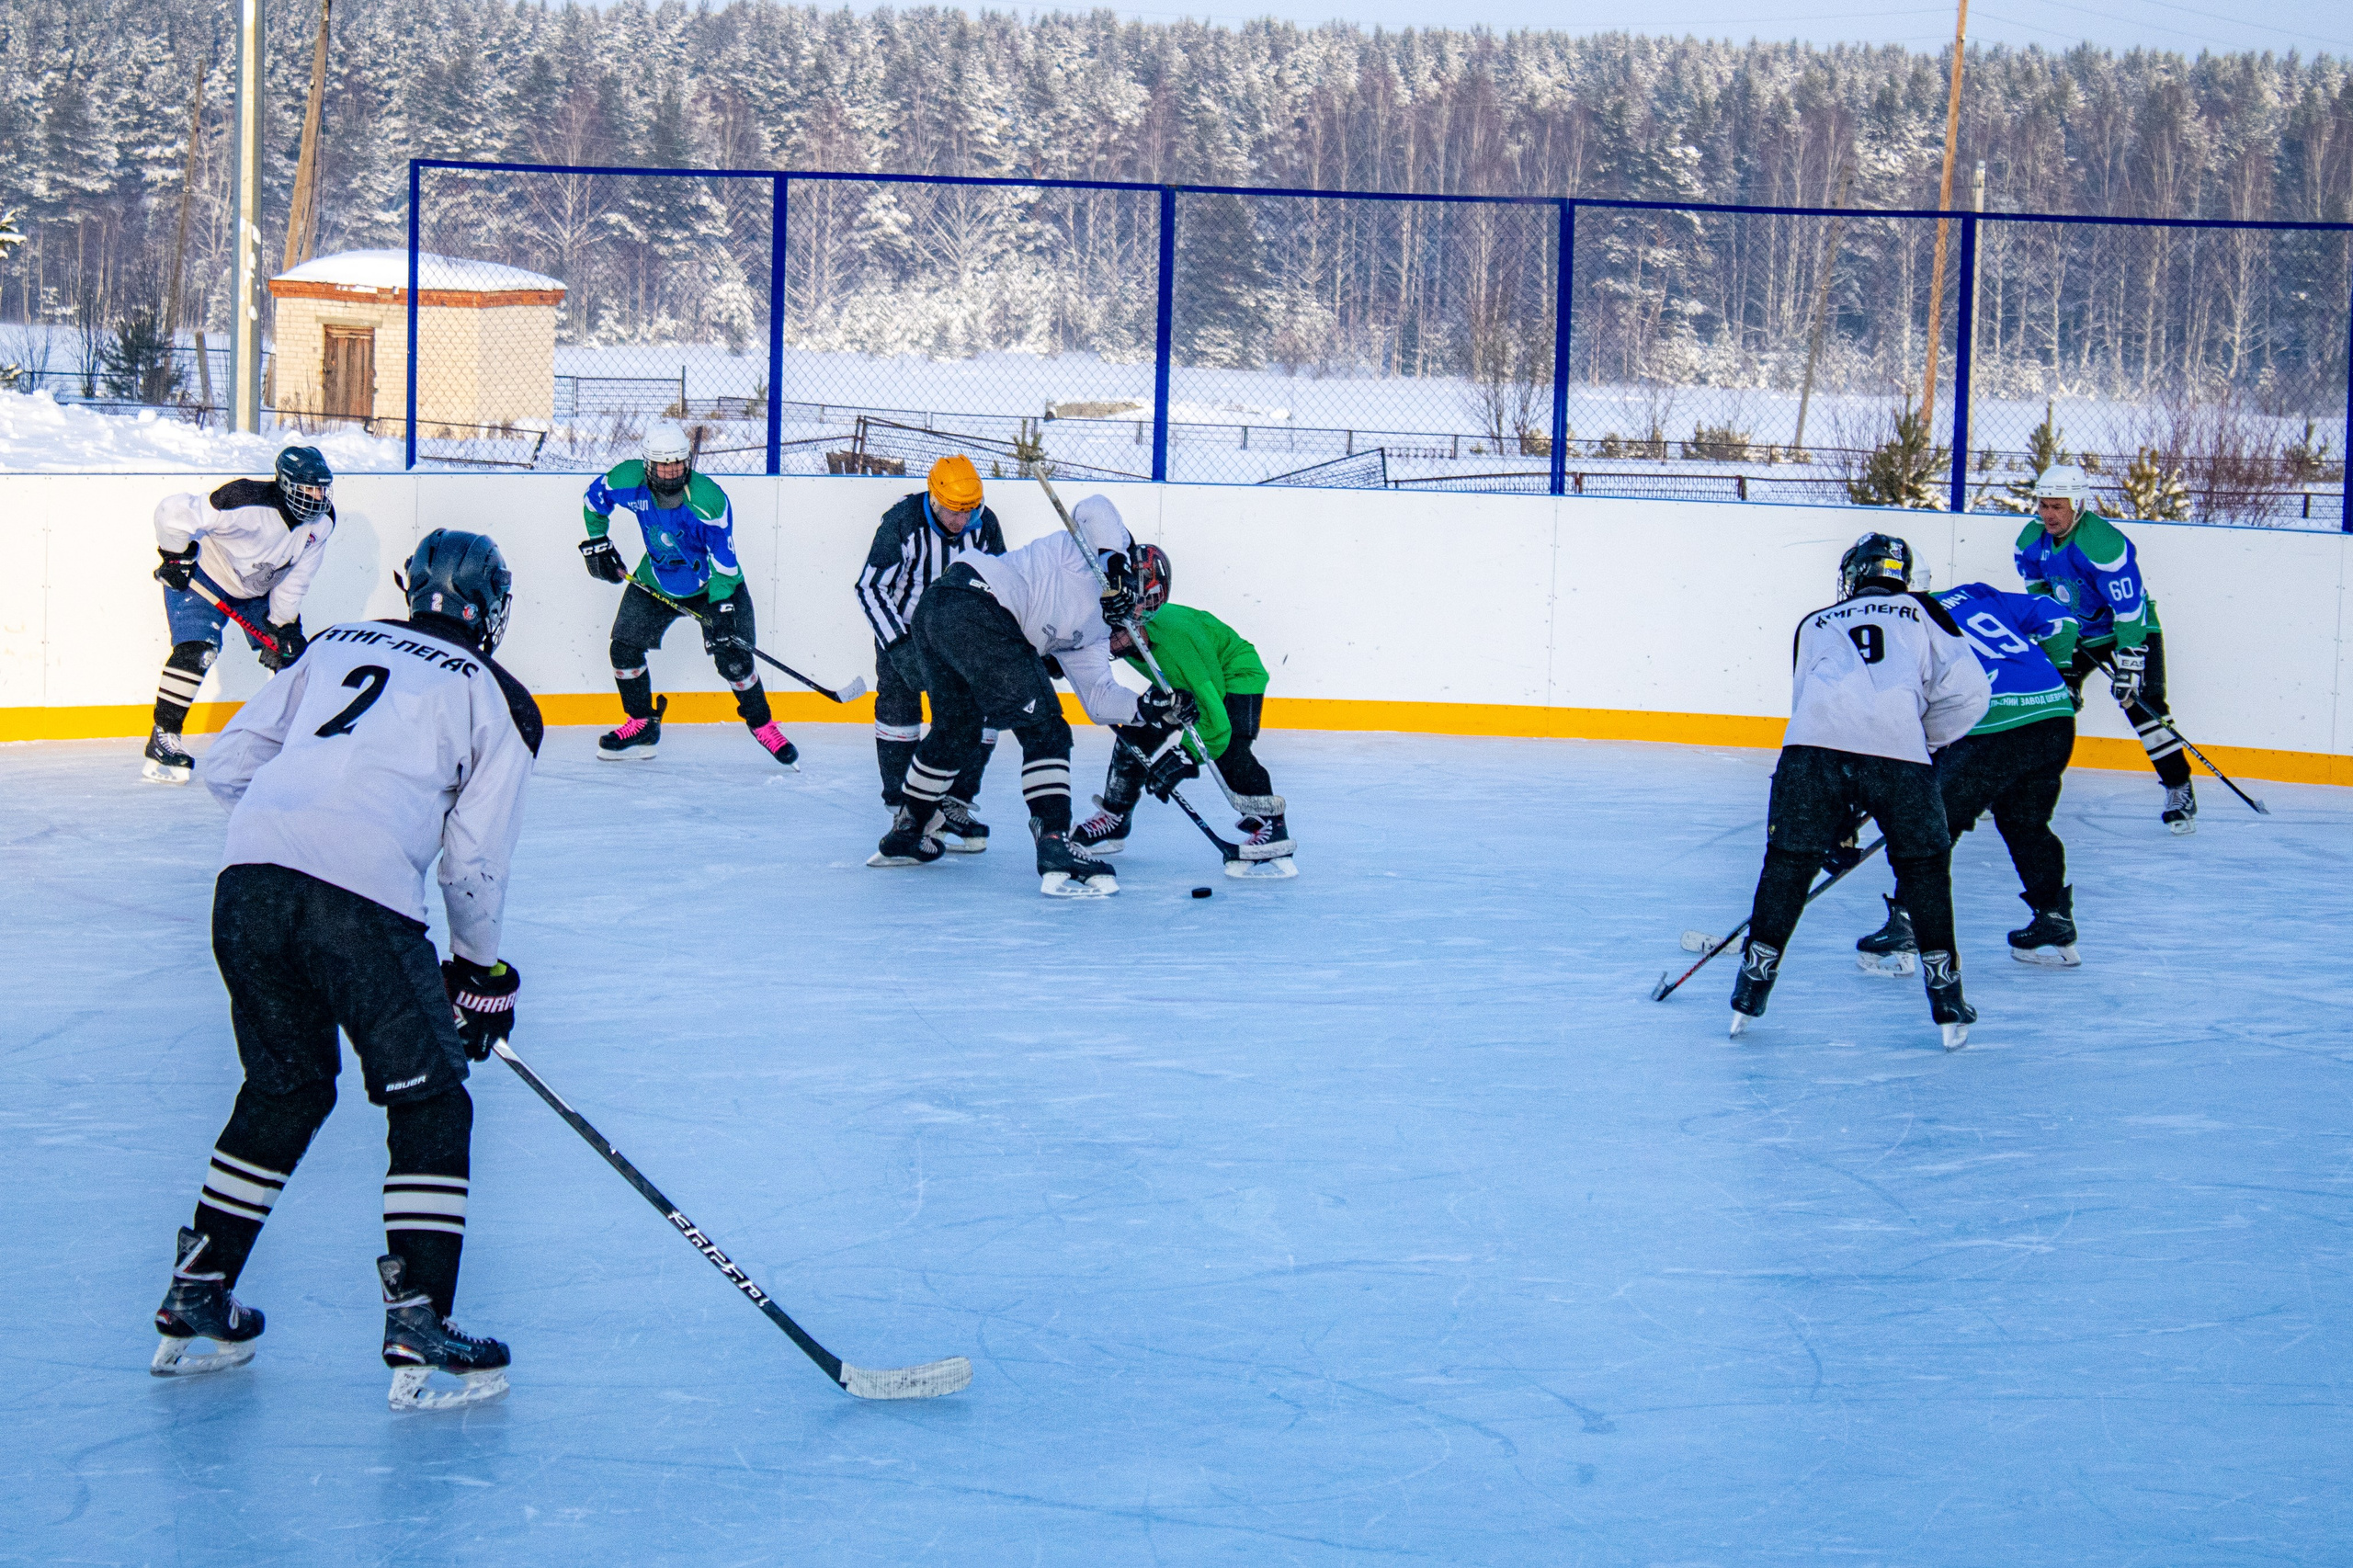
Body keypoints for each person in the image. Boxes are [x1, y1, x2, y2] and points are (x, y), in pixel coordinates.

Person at [150, 528, 539, 1414]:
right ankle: (422, 1319)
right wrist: (481, 975)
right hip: (356, 901)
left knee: (285, 1087)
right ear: (490, 606)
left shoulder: (334, 643)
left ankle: (199, 1287)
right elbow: (474, 862)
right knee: (432, 1096)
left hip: (246, 883)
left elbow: (229, 766)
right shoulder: (494, 695)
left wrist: (298, 827)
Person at [1730, 532, 1991, 1050]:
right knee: (1924, 869)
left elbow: (1807, 702)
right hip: (1898, 757)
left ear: (1855, 574)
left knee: (1787, 863)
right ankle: (1945, 996)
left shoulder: (1815, 621)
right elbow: (1970, 693)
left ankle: (1751, 988)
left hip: (1811, 753)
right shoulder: (1925, 612)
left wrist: (1837, 822)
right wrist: (1923, 738)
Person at [870, 494, 1194, 899]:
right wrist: (1114, 566)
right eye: (1139, 597)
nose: (1136, 613)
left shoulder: (1093, 635)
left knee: (957, 731)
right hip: (976, 601)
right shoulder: (1089, 553)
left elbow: (1099, 699)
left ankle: (907, 831)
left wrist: (1146, 708)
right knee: (1046, 729)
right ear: (1131, 570)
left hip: (942, 613)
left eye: (1145, 610)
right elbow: (1093, 507)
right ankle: (1055, 843)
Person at [1854, 580, 2085, 971]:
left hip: (1991, 727)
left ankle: (1907, 925)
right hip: (2052, 716)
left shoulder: (1901, 622)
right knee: (2026, 822)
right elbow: (2059, 618)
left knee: (1932, 825)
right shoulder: (1977, 593)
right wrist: (2064, 674)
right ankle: (2053, 917)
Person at [580, 421, 795, 767]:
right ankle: (642, 724)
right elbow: (593, 501)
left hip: (714, 587)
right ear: (648, 464)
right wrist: (598, 542)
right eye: (663, 465)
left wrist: (724, 607)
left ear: (688, 461)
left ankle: (762, 724)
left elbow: (724, 562)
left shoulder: (708, 501)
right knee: (623, 650)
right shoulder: (626, 480)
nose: (671, 472)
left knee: (734, 660)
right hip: (657, 580)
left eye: (678, 464)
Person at [1071, 551, 1294, 876]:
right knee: (1135, 736)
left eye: (1114, 630)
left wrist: (1186, 758)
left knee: (1230, 751)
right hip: (1177, 676)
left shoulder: (1177, 642)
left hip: (1235, 672)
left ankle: (1272, 823)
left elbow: (1215, 723)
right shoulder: (1132, 633)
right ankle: (1115, 818)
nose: (1105, 639)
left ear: (1138, 616)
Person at [2016, 462, 2196, 833]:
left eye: (2057, 506)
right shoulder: (2030, 542)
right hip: (2080, 631)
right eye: (2044, 505)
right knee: (2045, 696)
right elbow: (2044, 602)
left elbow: (2129, 609)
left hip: (2129, 629)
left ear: (2078, 504)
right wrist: (2063, 660)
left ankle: (2179, 787)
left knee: (2143, 704)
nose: (2048, 514)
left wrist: (2130, 662)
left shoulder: (2102, 544)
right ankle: (2010, 785)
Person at [142, 447, 337, 784]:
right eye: (308, 489)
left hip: (255, 591)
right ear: (286, 484)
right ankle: (164, 736)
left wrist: (283, 624)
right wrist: (176, 557)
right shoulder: (243, 499)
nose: (316, 498)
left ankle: (301, 740)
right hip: (204, 578)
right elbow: (171, 512)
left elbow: (296, 579)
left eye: (321, 489)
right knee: (198, 650)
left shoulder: (322, 524)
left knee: (293, 659)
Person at [854, 454, 1008, 850]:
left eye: (969, 510)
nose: (962, 521)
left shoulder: (985, 524)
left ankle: (955, 803)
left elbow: (1002, 582)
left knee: (981, 713)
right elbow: (870, 588)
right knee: (900, 709)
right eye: (954, 512)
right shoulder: (902, 523)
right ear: (934, 499)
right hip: (903, 628)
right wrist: (899, 646)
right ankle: (905, 809)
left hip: (961, 634)